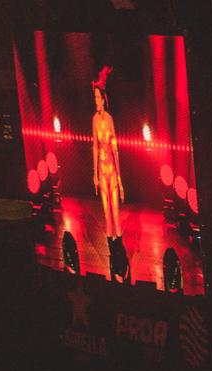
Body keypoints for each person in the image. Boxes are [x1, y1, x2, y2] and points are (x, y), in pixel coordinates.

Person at [91, 68, 124, 243]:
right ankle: (112, 247)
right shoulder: (94, 120)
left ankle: (119, 244)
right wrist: (95, 173)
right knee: (105, 211)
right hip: (102, 171)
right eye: (94, 98)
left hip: (111, 169)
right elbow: (95, 146)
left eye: (97, 98)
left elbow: (116, 149)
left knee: (116, 210)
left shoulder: (109, 120)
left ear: (103, 100)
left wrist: (119, 178)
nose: (95, 101)